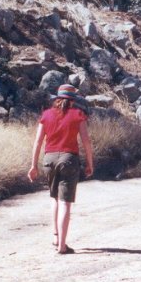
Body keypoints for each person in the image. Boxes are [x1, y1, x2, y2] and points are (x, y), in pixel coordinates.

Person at [28, 84, 94, 253]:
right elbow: (86, 141)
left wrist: (33, 165)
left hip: (49, 159)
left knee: (54, 198)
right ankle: (62, 246)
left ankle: (55, 236)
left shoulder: (46, 114)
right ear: (73, 101)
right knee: (65, 202)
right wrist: (90, 163)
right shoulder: (78, 115)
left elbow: (38, 142)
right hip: (68, 159)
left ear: (57, 99)